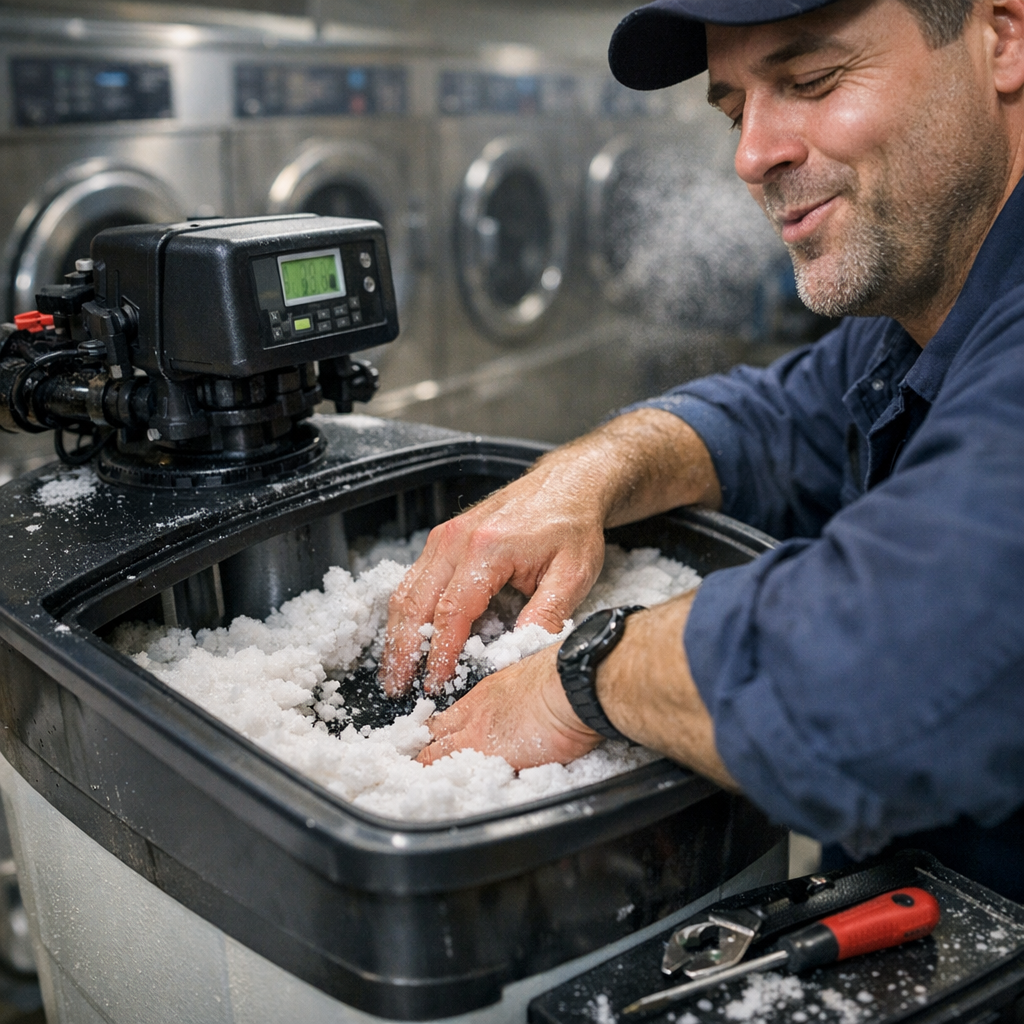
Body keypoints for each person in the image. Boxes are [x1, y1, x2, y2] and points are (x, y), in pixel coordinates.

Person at [381, 0, 1024, 900]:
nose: (752, 155)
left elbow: (894, 656)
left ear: (1002, 37)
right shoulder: (926, 307)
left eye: (812, 81)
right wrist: (580, 477)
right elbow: (771, 421)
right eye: (734, 109)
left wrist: (585, 673)